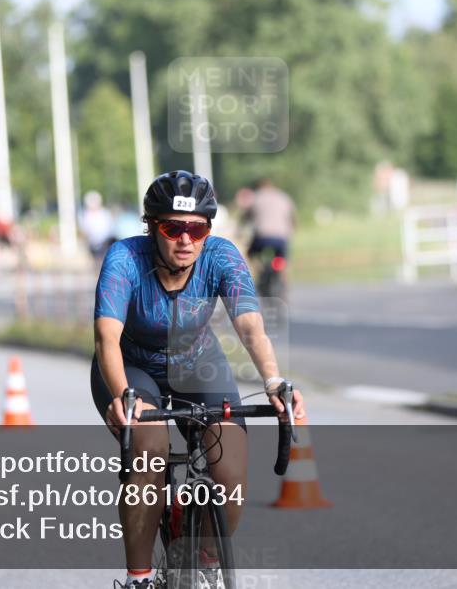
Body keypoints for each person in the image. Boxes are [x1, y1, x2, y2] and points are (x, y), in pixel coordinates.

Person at [91, 170, 305, 589]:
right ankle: (139, 578)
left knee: (230, 470)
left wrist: (274, 382)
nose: (186, 240)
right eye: (173, 228)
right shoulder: (125, 258)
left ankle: (203, 560)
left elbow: (250, 328)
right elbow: (106, 338)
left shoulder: (221, 256)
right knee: (149, 453)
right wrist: (123, 396)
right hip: (132, 366)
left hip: (196, 363)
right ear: (152, 226)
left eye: (197, 228)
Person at [244, 177, 296, 261]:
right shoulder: (283, 197)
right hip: (280, 237)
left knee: (250, 254)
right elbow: (292, 216)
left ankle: (256, 270)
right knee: (282, 259)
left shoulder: (256, 197)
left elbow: (247, 216)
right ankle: (282, 272)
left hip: (261, 236)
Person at [79, 190, 117, 262]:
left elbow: (110, 229)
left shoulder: (104, 213)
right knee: (96, 261)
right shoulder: (85, 215)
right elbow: (84, 230)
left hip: (104, 243)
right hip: (92, 243)